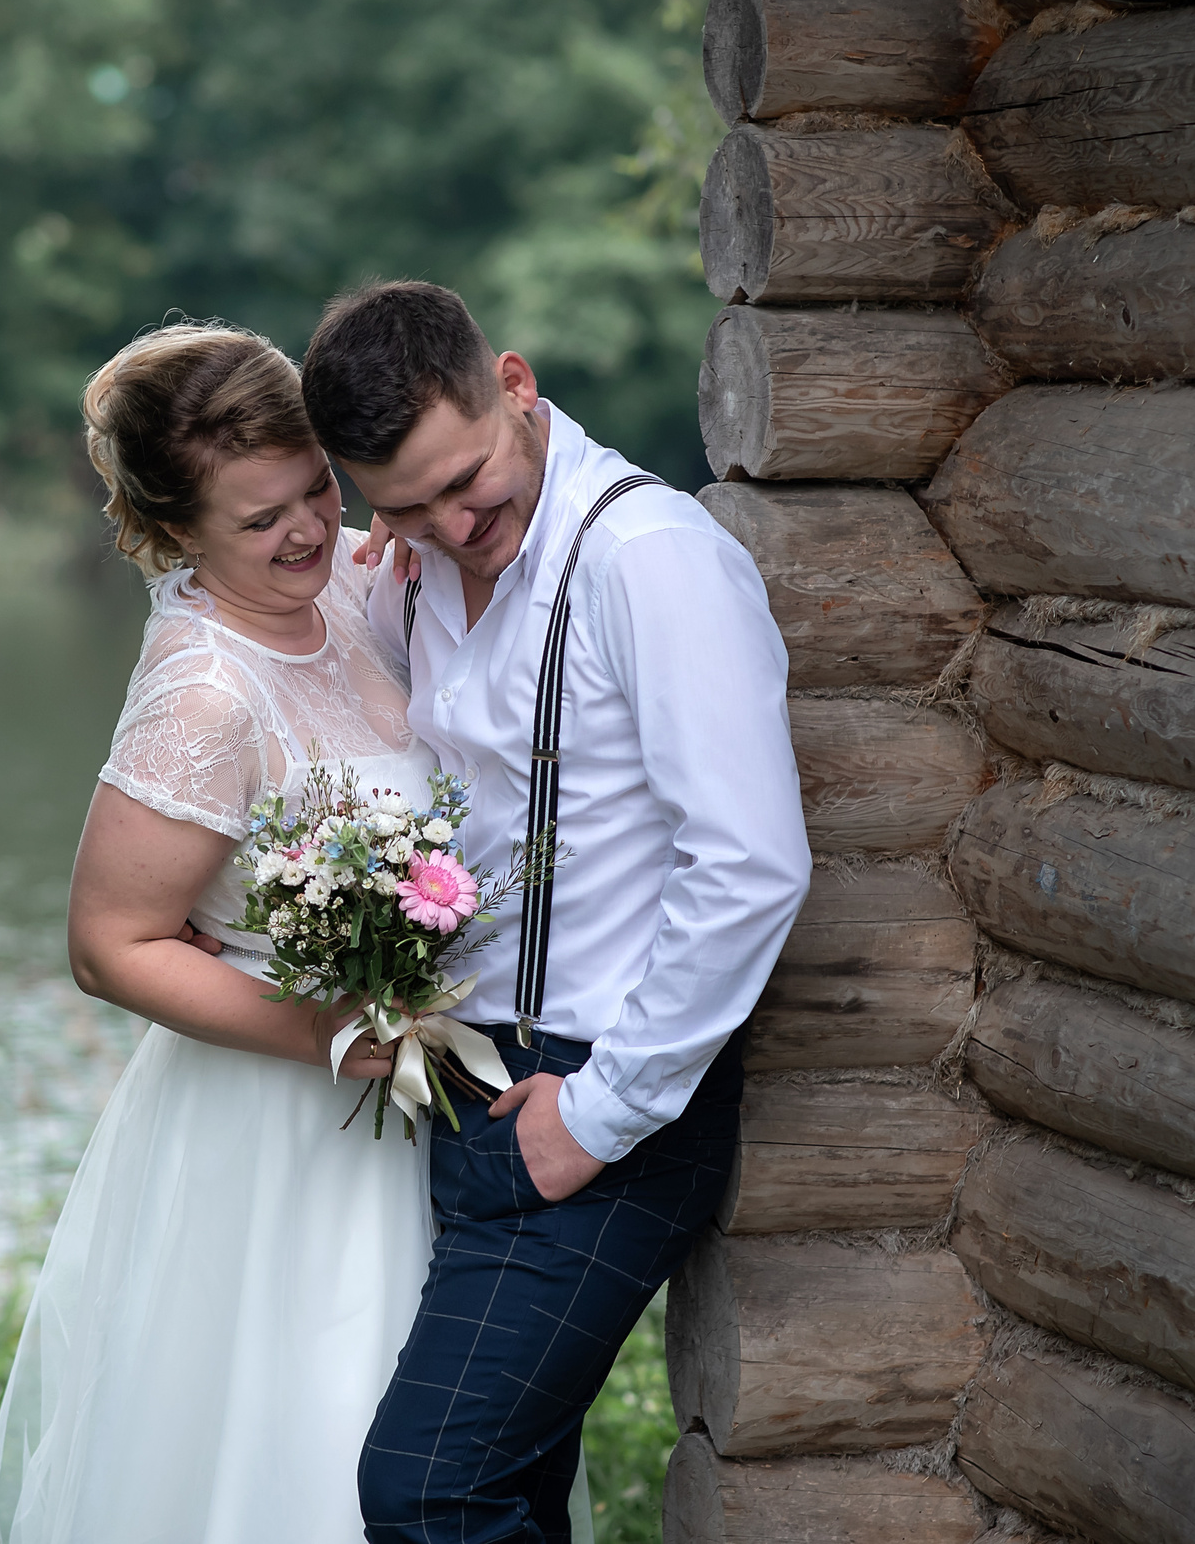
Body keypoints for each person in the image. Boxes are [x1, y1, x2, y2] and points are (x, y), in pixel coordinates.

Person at [0, 322, 599, 1543]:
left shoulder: (364, 586)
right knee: (308, 1443)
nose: (309, 530)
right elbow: (110, 944)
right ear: (177, 533)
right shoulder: (204, 691)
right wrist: (325, 1026)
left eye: (315, 486)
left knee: (452, 1447)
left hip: (432, 1106)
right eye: (262, 521)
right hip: (279, 1132)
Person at [299, 281, 811, 1544]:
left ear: (515, 385)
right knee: (511, 1486)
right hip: (471, 1080)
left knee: (428, 1487)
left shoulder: (651, 559)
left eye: (464, 481)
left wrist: (603, 1110)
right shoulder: (410, 568)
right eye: (403, 504)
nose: (449, 523)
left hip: (611, 1093)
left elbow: (749, 863)